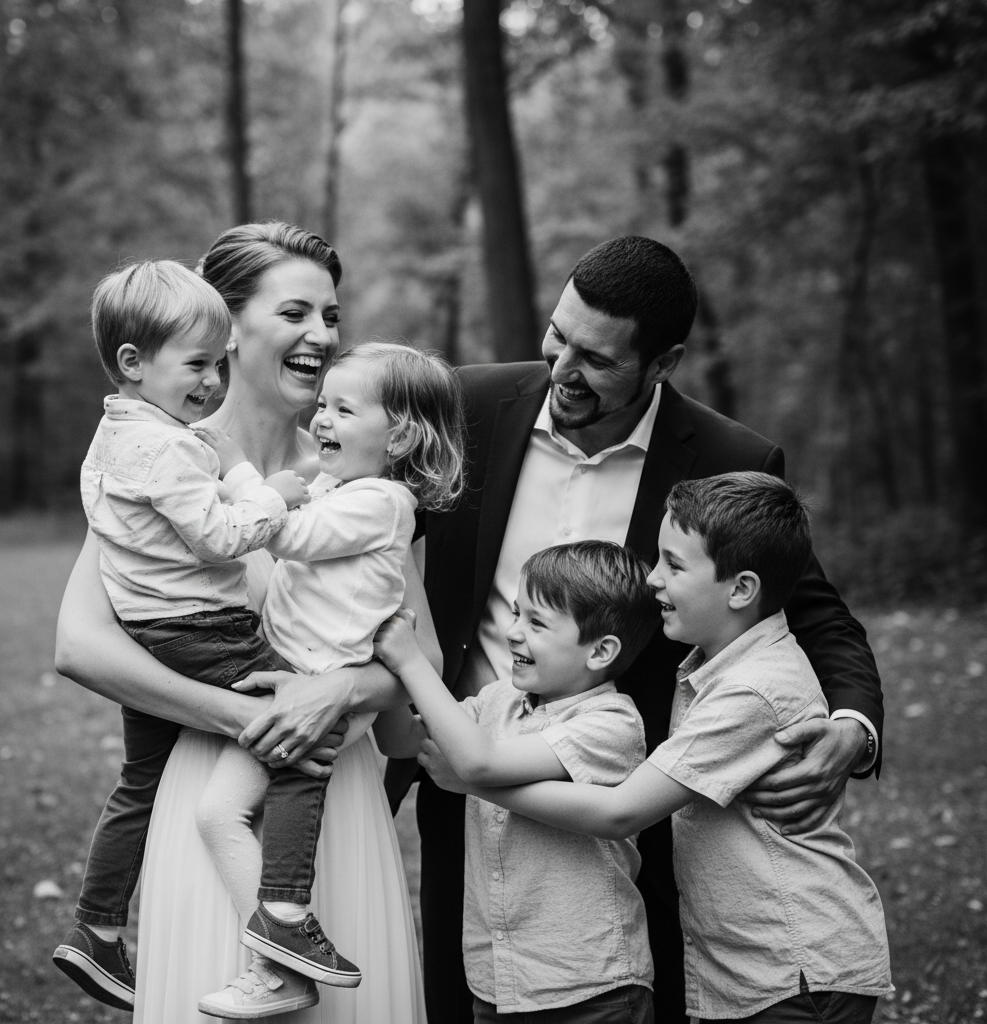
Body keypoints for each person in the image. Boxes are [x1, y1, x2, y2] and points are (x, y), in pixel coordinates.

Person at [384, 236, 885, 1024]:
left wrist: (854, 727)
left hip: (629, 785)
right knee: (466, 996)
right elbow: (360, 523)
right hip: (465, 774)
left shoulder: (726, 456)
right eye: (558, 336)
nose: (561, 368)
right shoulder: (468, 405)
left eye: (595, 359)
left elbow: (815, 612)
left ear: (662, 363)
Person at [55, 222, 430, 1024]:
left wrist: (338, 691)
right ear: (225, 326)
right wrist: (250, 717)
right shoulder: (159, 465)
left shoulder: (357, 477)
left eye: (331, 316)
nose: (321, 335)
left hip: (335, 798)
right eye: (295, 313)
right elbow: (80, 645)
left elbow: (411, 684)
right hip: (210, 794)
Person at [435, 473, 893, 1024]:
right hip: (754, 973)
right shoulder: (711, 665)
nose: (653, 578)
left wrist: (478, 779)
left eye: (673, 565)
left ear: (740, 590)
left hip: (797, 966)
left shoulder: (752, 689)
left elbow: (620, 811)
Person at [52, 259, 325, 1015]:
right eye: (198, 364)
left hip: (149, 632)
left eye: (217, 363)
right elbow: (219, 538)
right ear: (134, 362)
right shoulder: (169, 446)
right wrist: (273, 494)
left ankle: (97, 927)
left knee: (138, 781)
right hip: (205, 628)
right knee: (302, 734)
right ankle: (283, 920)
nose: (212, 380)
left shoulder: (116, 434)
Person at [195, 341, 464, 1016]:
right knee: (222, 814)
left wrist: (241, 473)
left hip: (320, 684)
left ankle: (285, 942)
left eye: (344, 409)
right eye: (323, 405)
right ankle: (284, 953)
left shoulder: (384, 501)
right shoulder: (341, 489)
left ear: (398, 436)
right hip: (295, 674)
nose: (322, 419)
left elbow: (288, 537)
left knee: (263, 810)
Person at [373, 541, 655, 1024]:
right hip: (498, 983)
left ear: (601, 651)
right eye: (517, 613)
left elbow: (478, 764)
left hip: (589, 988)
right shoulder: (496, 700)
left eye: (537, 623)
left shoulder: (611, 724)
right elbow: (399, 739)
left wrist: (412, 662)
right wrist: (376, 657)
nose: (512, 632)